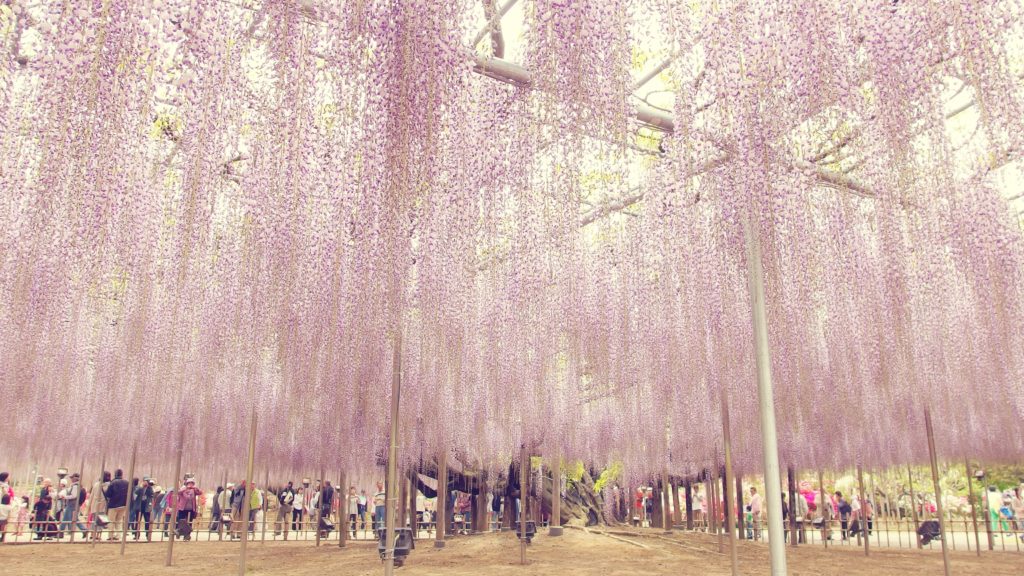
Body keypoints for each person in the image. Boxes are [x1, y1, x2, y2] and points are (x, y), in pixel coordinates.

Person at [104, 468, 129, 541]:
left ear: (115, 474)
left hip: (113, 505)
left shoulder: (113, 483)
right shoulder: (127, 482)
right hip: (124, 504)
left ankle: (111, 535)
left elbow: (108, 494)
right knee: (119, 520)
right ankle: (118, 535)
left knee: (111, 520)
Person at [60, 472, 87, 538]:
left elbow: (74, 495)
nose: (71, 479)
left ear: (75, 478)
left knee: (73, 518)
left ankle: (83, 529)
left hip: (72, 504)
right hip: (73, 504)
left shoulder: (75, 486)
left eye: (72, 477)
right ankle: (60, 531)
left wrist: (65, 497)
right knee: (66, 518)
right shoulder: (78, 486)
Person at [88, 471, 110, 541]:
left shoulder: (96, 484)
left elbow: (91, 495)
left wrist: (89, 505)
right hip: (103, 505)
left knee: (94, 520)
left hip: (95, 504)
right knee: (101, 520)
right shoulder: (109, 485)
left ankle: (92, 534)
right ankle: (98, 535)